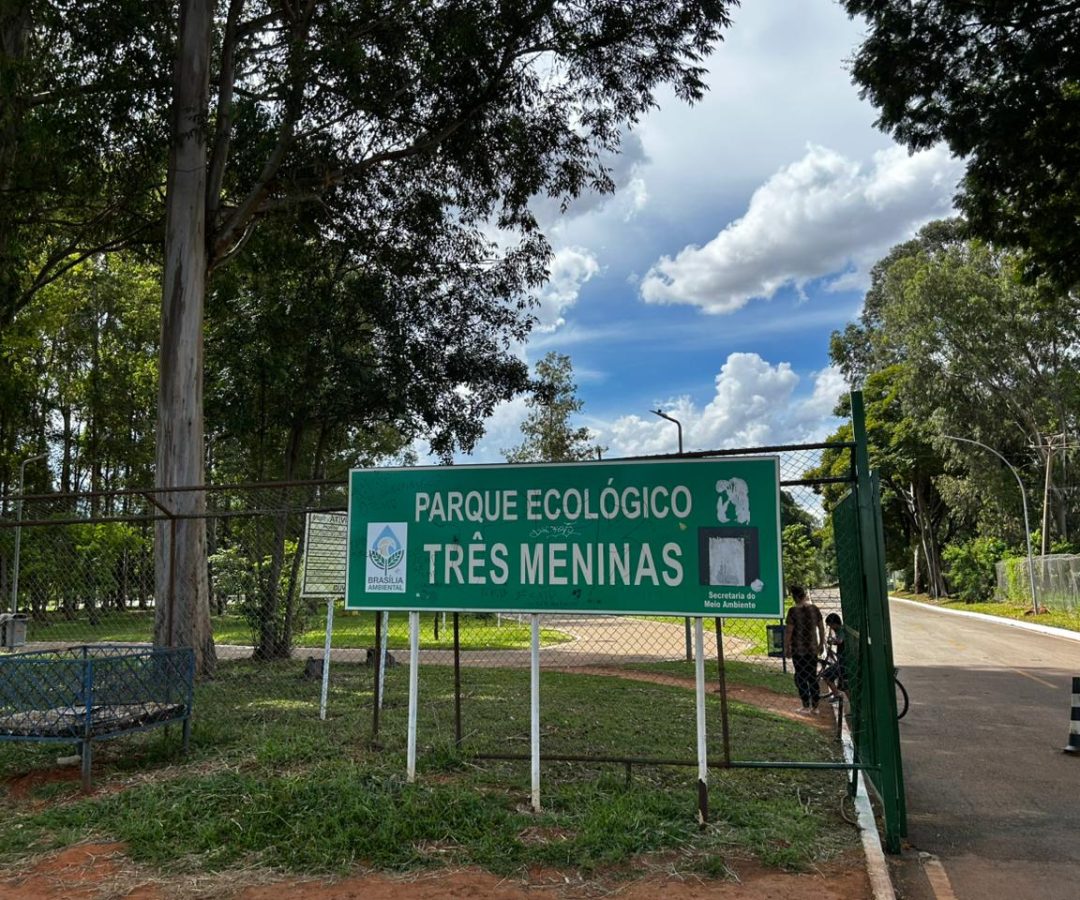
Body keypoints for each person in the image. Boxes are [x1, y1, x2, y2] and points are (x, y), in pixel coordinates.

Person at [784, 585, 824, 715]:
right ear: (804, 595)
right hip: (812, 649)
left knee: (800, 677)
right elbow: (821, 627)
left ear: (795, 597)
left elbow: (789, 631)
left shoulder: (793, 611)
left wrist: (787, 647)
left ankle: (806, 705)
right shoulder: (814, 609)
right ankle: (816, 707)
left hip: (798, 649)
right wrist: (821, 643)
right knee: (812, 676)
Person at [819, 612, 847, 701]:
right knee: (844, 686)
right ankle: (838, 694)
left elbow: (840, 641)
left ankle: (837, 695)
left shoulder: (841, 630)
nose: (830, 628)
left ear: (834, 623)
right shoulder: (838, 630)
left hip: (844, 661)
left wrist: (833, 641)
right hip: (842, 660)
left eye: (830, 625)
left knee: (826, 675)